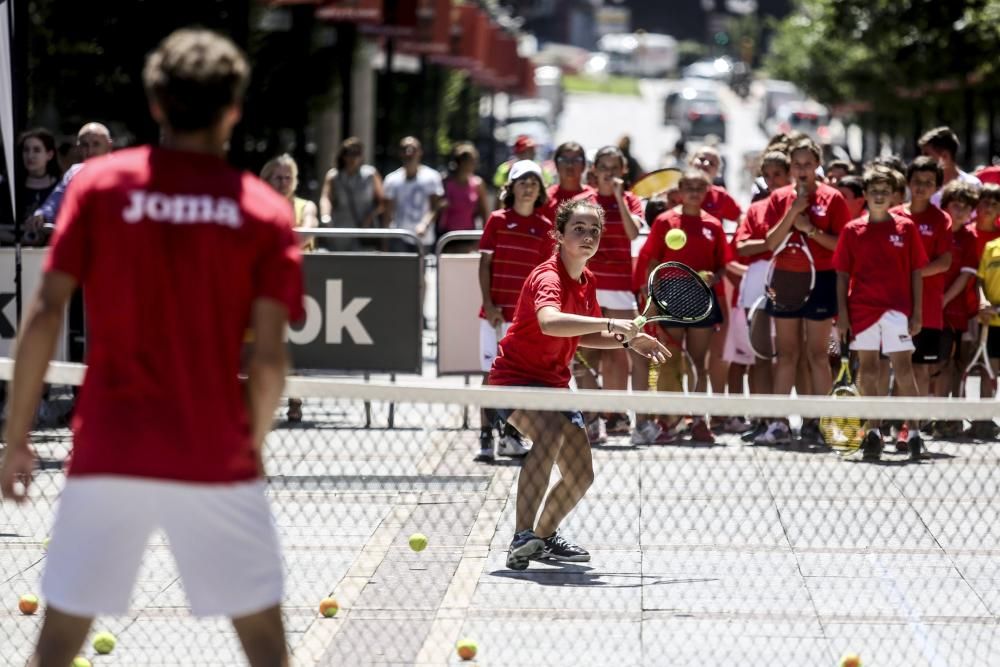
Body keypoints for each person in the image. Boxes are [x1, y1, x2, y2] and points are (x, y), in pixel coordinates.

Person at [0, 28, 302, 666]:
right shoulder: (264, 212)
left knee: (55, 647)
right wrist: (251, 444)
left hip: (110, 446)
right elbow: (271, 360)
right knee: (268, 652)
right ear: (233, 110)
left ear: (157, 104)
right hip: (213, 450)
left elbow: (47, 310)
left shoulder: (101, 187)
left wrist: (18, 437)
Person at [488, 198, 668, 570]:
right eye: (579, 229)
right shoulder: (548, 276)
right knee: (549, 433)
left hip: (554, 384)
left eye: (594, 231)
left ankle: (542, 537)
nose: (588, 236)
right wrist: (609, 325)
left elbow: (584, 333)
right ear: (558, 234)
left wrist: (628, 339)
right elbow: (551, 322)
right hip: (515, 380)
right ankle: (522, 535)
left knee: (580, 474)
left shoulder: (588, 279)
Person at [834, 167, 927, 461]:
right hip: (861, 310)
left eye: (885, 192)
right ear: (865, 195)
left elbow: (917, 272)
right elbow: (841, 274)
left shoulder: (906, 228)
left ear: (893, 196)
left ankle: (913, 433)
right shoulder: (852, 230)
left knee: (903, 370)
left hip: (897, 310)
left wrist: (917, 313)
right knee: (869, 370)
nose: (879, 196)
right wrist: (843, 315)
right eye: (874, 191)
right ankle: (873, 431)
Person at [761, 137, 851, 443]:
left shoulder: (833, 198)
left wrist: (810, 229)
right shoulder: (779, 198)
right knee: (786, 354)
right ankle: (779, 423)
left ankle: (819, 421)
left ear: (817, 166)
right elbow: (770, 242)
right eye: (796, 164)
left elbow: (841, 245)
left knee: (817, 354)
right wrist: (793, 214)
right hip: (786, 279)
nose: (802, 170)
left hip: (821, 279)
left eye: (807, 164)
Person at [641, 169, 730, 444]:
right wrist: (652, 300)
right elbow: (653, 263)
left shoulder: (714, 225)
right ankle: (669, 421)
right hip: (669, 296)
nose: (693, 192)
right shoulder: (665, 222)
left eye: (699, 188)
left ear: (707, 192)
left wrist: (714, 277)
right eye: (688, 187)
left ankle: (698, 420)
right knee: (669, 362)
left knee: (698, 364)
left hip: (701, 298)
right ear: (679, 191)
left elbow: (722, 265)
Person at [476, 160, 553, 462]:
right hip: (493, 315)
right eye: (522, 181)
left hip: (524, 321)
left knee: (518, 379)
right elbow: (485, 265)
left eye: (534, 182)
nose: (528, 187)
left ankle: (509, 435)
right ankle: (485, 437)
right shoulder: (496, 220)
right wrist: (489, 304)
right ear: (511, 187)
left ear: (540, 190)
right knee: (489, 375)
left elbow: (545, 275)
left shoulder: (545, 229)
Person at [576, 146, 644, 440]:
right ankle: (590, 415)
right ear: (594, 169)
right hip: (586, 285)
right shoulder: (580, 203)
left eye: (615, 168)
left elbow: (632, 233)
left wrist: (619, 198)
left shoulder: (631, 201)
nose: (609, 173)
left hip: (619, 287)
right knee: (582, 352)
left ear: (623, 171)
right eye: (604, 167)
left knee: (618, 353)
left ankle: (614, 414)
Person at [889, 157, 951, 450]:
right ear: (908, 183)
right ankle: (891, 425)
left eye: (929, 182)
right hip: (892, 307)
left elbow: (944, 262)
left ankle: (910, 429)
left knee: (920, 371)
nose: (922, 187)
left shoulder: (941, 220)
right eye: (917, 181)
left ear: (937, 186)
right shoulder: (890, 215)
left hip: (927, 308)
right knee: (897, 367)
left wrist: (912, 272)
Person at [734, 151, 792, 443]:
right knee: (760, 357)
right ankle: (762, 417)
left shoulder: (798, 205)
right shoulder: (756, 209)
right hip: (756, 285)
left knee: (790, 355)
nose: (771, 181)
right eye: (766, 175)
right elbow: (742, 246)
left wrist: (764, 244)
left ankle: (786, 420)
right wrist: (764, 244)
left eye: (777, 175)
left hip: (790, 283)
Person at [935, 181, 980, 437]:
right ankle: (930, 416)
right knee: (933, 365)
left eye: (966, 207)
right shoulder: (939, 230)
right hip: (930, 308)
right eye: (956, 205)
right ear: (945, 206)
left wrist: (944, 299)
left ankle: (950, 418)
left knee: (954, 365)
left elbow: (965, 276)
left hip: (957, 311)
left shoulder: (969, 237)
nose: (961, 211)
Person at [26, 123, 114, 244]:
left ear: (109, 146)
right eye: (84, 145)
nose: (90, 151)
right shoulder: (74, 173)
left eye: (96, 144)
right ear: (78, 148)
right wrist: (41, 215)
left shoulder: (122, 172)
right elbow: (53, 202)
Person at [318, 136, 383, 251]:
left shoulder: (370, 175)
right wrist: (325, 216)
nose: (353, 157)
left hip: (364, 231)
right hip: (340, 230)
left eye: (357, 153)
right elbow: (326, 198)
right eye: (349, 153)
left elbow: (383, 202)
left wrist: (369, 218)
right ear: (343, 155)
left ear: (362, 156)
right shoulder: (334, 176)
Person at [383, 136, 445, 249]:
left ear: (420, 152)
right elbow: (388, 212)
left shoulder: (432, 176)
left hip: (423, 239)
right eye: (405, 149)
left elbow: (435, 207)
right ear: (400, 153)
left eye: (413, 149)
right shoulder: (391, 179)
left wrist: (425, 224)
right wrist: (385, 242)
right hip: (398, 237)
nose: (409, 152)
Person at [4, 128, 61, 245]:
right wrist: (20, 240)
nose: (30, 155)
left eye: (37, 150)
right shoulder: (8, 189)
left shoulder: (60, 188)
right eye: (26, 150)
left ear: (49, 154)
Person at [260, 153, 319, 251]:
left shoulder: (306, 206)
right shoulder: (258, 207)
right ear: (267, 180)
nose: (283, 183)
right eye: (278, 178)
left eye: (288, 178)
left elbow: (306, 233)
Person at [438, 142, 489, 242]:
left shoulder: (478, 184)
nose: (472, 164)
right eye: (468, 160)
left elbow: (484, 213)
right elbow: (436, 208)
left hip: (469, 236)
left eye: (473, 160)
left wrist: (485, 238)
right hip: (447, 237)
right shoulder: (445, 182)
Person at [918, 126, 982, 206]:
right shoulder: (920, 186)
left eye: (926, 155)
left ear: (945, 156)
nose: (922, 159)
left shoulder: (973, 185)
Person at [541, 141, 593, 222]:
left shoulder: (593, 197)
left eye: (576, 159)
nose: (570, 164)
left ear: (583, 165)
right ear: (556, 165)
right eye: (564, 159)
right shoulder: (546, 198)